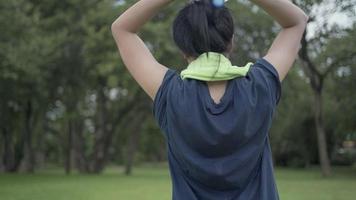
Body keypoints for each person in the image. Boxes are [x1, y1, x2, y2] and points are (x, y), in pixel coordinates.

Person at [111, 0, 308, 199]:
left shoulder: (171, 95)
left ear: (183, 47)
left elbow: (121, 29)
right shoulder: (259, 87)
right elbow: (296, 21)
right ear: (231, 40)